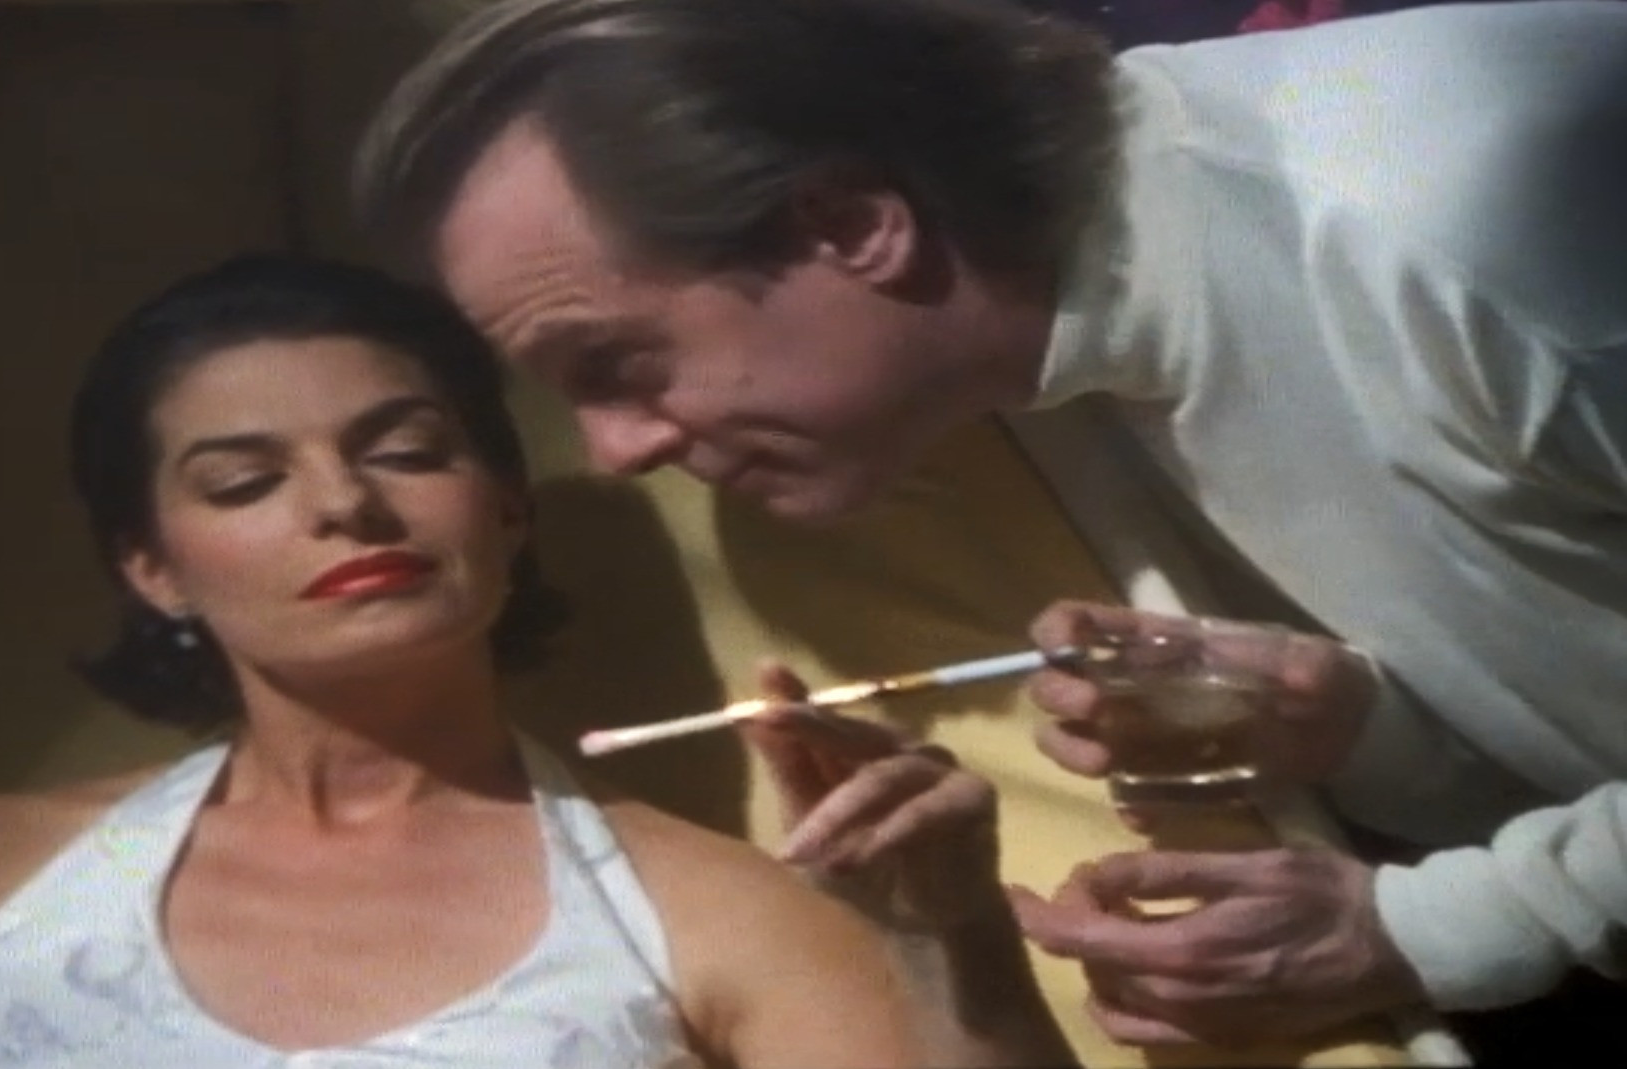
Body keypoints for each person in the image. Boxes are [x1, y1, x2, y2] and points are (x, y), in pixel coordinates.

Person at [350, 0, 1627, 1049]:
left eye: (617, 365)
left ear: (855, 226)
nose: (615, 451)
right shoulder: (1019, 370)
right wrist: (1358, 730)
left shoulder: (1469, 222)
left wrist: (1441, 923)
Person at [0, 256, 1075, 1068]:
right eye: (246, 480)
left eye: (406, 450)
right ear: (152, 565)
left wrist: (956, 941)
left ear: (507, 505)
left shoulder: (715, 917)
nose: (344, 504)